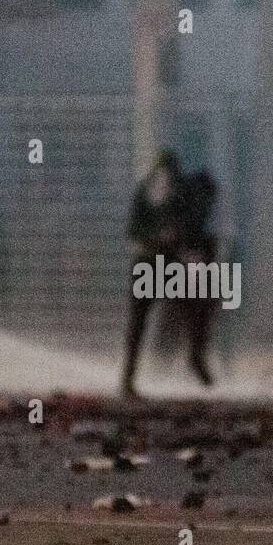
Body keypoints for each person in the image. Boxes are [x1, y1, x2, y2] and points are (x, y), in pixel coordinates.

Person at [120, 148, 185, 398]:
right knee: (137, 323)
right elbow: (133, 229)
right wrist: (157, 237)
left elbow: (187, 227)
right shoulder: (144, 193)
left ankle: (170, 366)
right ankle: (128, 378)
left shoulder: (178, 196)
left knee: (180, 312)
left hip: (168, 265)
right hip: (147, 264)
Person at [153, 168, 219, 386]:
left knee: (194, 318)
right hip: (181, 278)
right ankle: (178, 364)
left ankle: (189, 361)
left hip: (191, 279)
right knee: (178, 322)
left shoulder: (196, 217)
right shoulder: (185, 215)